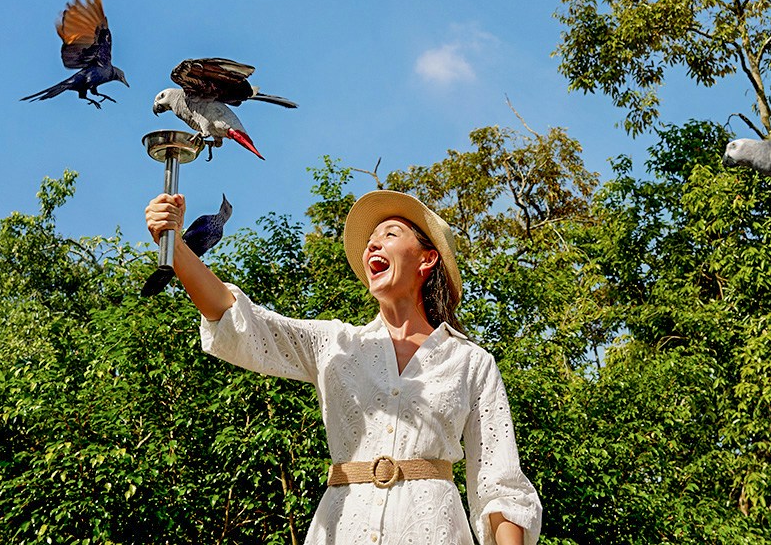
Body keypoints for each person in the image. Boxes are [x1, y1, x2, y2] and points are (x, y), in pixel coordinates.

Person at [145, 188, 543, 545]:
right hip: (342, 526)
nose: (373, 245)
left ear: (427, 259)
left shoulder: (471, 361)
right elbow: (242, 323)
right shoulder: (335, 344)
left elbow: (499, 484)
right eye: (370, 241)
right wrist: (175, 247)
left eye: (390, 234)